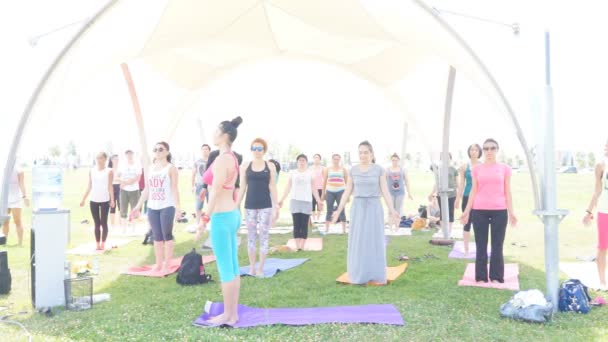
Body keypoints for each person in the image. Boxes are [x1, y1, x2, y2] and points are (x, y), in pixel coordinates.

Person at [332, 141, 399, 284]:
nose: (363, 155)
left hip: (374, 207)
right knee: (358, 241)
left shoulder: (379, 170)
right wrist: (338, 210)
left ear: (372, 154)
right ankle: (359, 273)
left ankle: (375, 273)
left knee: (374, 240)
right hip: (358, 207)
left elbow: (385, 191)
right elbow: (347, 192)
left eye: (366, 152)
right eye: (360, 152)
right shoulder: (353, 170)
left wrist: (392, 210)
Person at [202, 116, 243, 326]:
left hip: (222, 217)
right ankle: (232, 313)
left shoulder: (221, 159)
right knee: (233, 268)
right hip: (232, 215)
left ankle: (228, 315)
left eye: (216, 130)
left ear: (224, 135)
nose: (213, 132)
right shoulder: (232, 157)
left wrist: (204, 218)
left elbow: (216, 190)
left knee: (226, 269)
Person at [461, 138, 517, 283]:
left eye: (492, 148)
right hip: (479, 211)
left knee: (497, 245)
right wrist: (467, 211)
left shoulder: (505, 168)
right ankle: (480, 277)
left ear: (497, 150)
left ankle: (496, 276)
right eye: (486, 149)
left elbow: (507, 191)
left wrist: (511, 212)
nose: (489, 151)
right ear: (482, 151)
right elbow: (473, 191)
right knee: (481, 244)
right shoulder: (476, 169)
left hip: (500, 211)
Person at [133, 142, 180, 272]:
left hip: (167, 206)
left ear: (167, 152)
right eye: (155, 150)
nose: (158, 152)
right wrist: (138, 206)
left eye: (161, 149)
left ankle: (167, 264)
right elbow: (146, 190)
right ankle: (159, 264)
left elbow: (175, 189)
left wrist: (178, 207)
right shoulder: (150, 169)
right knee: (156, 237)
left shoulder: (171, 168)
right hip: (152, 207)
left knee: (167, 235)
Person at [237, 138, 279, 276]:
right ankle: (252, 268)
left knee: (264, 236)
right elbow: (242, 187)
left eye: (259, 149)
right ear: (251, 150)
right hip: (250, 206)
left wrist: (276, 206)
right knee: (251, 236)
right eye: (254, 148)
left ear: (264, 150)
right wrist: (237, 204)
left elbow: (272, 186)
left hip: (265, 205)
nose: (257, 151)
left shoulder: (270, 166)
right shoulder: (245, 166)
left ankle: (260, 268)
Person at [279, 154, 323, 251]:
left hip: (306, 201)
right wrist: (282, 199)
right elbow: (288, 187)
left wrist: (319, 200)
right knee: (296, 224)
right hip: (295, 201)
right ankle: (297, 245)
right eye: (300, 160)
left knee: (304, 224)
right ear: (297, 162)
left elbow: (314, 188)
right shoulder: (292, 173)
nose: (302, 162)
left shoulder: (310, 173)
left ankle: (301, 246)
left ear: (306, 162)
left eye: (303, 160)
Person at [583, 139, 608, 290]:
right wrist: (588, 211)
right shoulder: (600, 166)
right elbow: (597, 190)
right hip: (605, 211)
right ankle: (602, 281)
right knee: (603, 246)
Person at [80, 152, 115, 250]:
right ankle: (97, 244)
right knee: (96, 223)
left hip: (105, 200)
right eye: (97, 158)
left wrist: (112, 200)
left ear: (105, 159)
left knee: (104, 222)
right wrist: (83, 199)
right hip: (93, 200)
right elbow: (89, 186)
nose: (99, 160)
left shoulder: (109, 171)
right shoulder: (92, 171)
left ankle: (103, 243)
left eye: (101, 158)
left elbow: (110, 186)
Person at [455, 144, 482, 255]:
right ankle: (466, 249)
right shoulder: (464, 167)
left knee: (479, 224)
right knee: (466, 222)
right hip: (466, 197)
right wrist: (457, 198)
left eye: (476, 150)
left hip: (480, 198)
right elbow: (461, 184)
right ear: (469, 151)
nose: (474, 151)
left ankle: (479, 248)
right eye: (471, 149)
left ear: (479, 152)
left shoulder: (483, 166)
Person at [429, 153, 459, 236]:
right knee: (442, 212)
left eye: (447, 157)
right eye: (443, 157)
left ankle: (449, 230)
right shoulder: (439, 169)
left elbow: (457, 183)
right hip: (441, 194)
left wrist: (460, 194)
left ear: (450, 158)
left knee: (451, 212)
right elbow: (437, 183)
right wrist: (431, 193)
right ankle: (443, 230)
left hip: (452, 194)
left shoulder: (453, 169)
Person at [321, 154, 349, 234]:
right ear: (332, 160)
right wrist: (323, 193)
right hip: (330, 191)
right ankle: (327, 229)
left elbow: (347, 182)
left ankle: (344, 230)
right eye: (334, 159)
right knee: (329, 210)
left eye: (337, 159)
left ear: (340, 160)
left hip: (341, 191)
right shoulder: (328, 169)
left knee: (342, 210)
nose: (336, 161)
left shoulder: (343, 169)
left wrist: (347, 195)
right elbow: (324, 182)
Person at [2, 165, 29, 246]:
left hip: (16, 198)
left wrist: (25, 196)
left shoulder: (19, 170)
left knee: (17, 221)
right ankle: (4, 242)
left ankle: (20, 243)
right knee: (5, 222)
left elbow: (21, 184)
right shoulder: (3, 168)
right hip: (4, 198)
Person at [386, 153, 413, 231]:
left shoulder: (403, 169)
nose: (394, 162)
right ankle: (391, 227)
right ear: (391, 160)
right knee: (390, 210)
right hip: (390, 193)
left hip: (400, 193)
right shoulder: (387, 170)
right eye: (393, 160)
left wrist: (409, 193)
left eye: (396, 160)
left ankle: (397, 227)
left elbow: (407, 181)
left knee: (398, 210)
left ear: (398, 160)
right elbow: (383, 182)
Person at [117, 150, 142, 233]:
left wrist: (125, 182)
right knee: (123, 209)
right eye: (127, 154)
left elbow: (137, 178)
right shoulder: (122, 165)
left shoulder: (137, 164)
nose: (129, 155)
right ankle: (124, 229)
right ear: (125, 155)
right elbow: (117, 177)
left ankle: (133, 229)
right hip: (124, 190)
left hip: (134, 190)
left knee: (134, 209)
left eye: (130, 153)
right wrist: (122, 182)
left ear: (133, 154)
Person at [192, 144, 211, 225]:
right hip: (199, 185)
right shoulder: (197, 162)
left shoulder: (212, 161)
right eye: (203, 149)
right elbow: (193, 174)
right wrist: (192, 185)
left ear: (209, 150)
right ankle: (197, 223)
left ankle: (212, 223)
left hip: (210, 186)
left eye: (206, 149)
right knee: (199, 205)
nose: (204, 150)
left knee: (211, 205)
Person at [311, 154, 325, 223]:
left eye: (318, 158)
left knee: (319, 202)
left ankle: (318, 218)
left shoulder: (322, 168)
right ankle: (313, 218)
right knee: (312, 203)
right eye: (315, 158)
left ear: (320, 159)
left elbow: (325, 178)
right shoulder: (310, 168)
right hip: (312, 188)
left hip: (320, 188)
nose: (316, 159)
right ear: (313, 159)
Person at [108, 154, 121, 227]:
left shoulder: (121, 168)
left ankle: (121, 223)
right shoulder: (109, 169)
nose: (116, 160)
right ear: (111, 160)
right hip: (111, 187)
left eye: (117, 159)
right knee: (112, 205)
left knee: (121, 205)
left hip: (119, 187)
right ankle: (112, 224)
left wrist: (118, 178)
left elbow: (123, 178)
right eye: (115, 159)